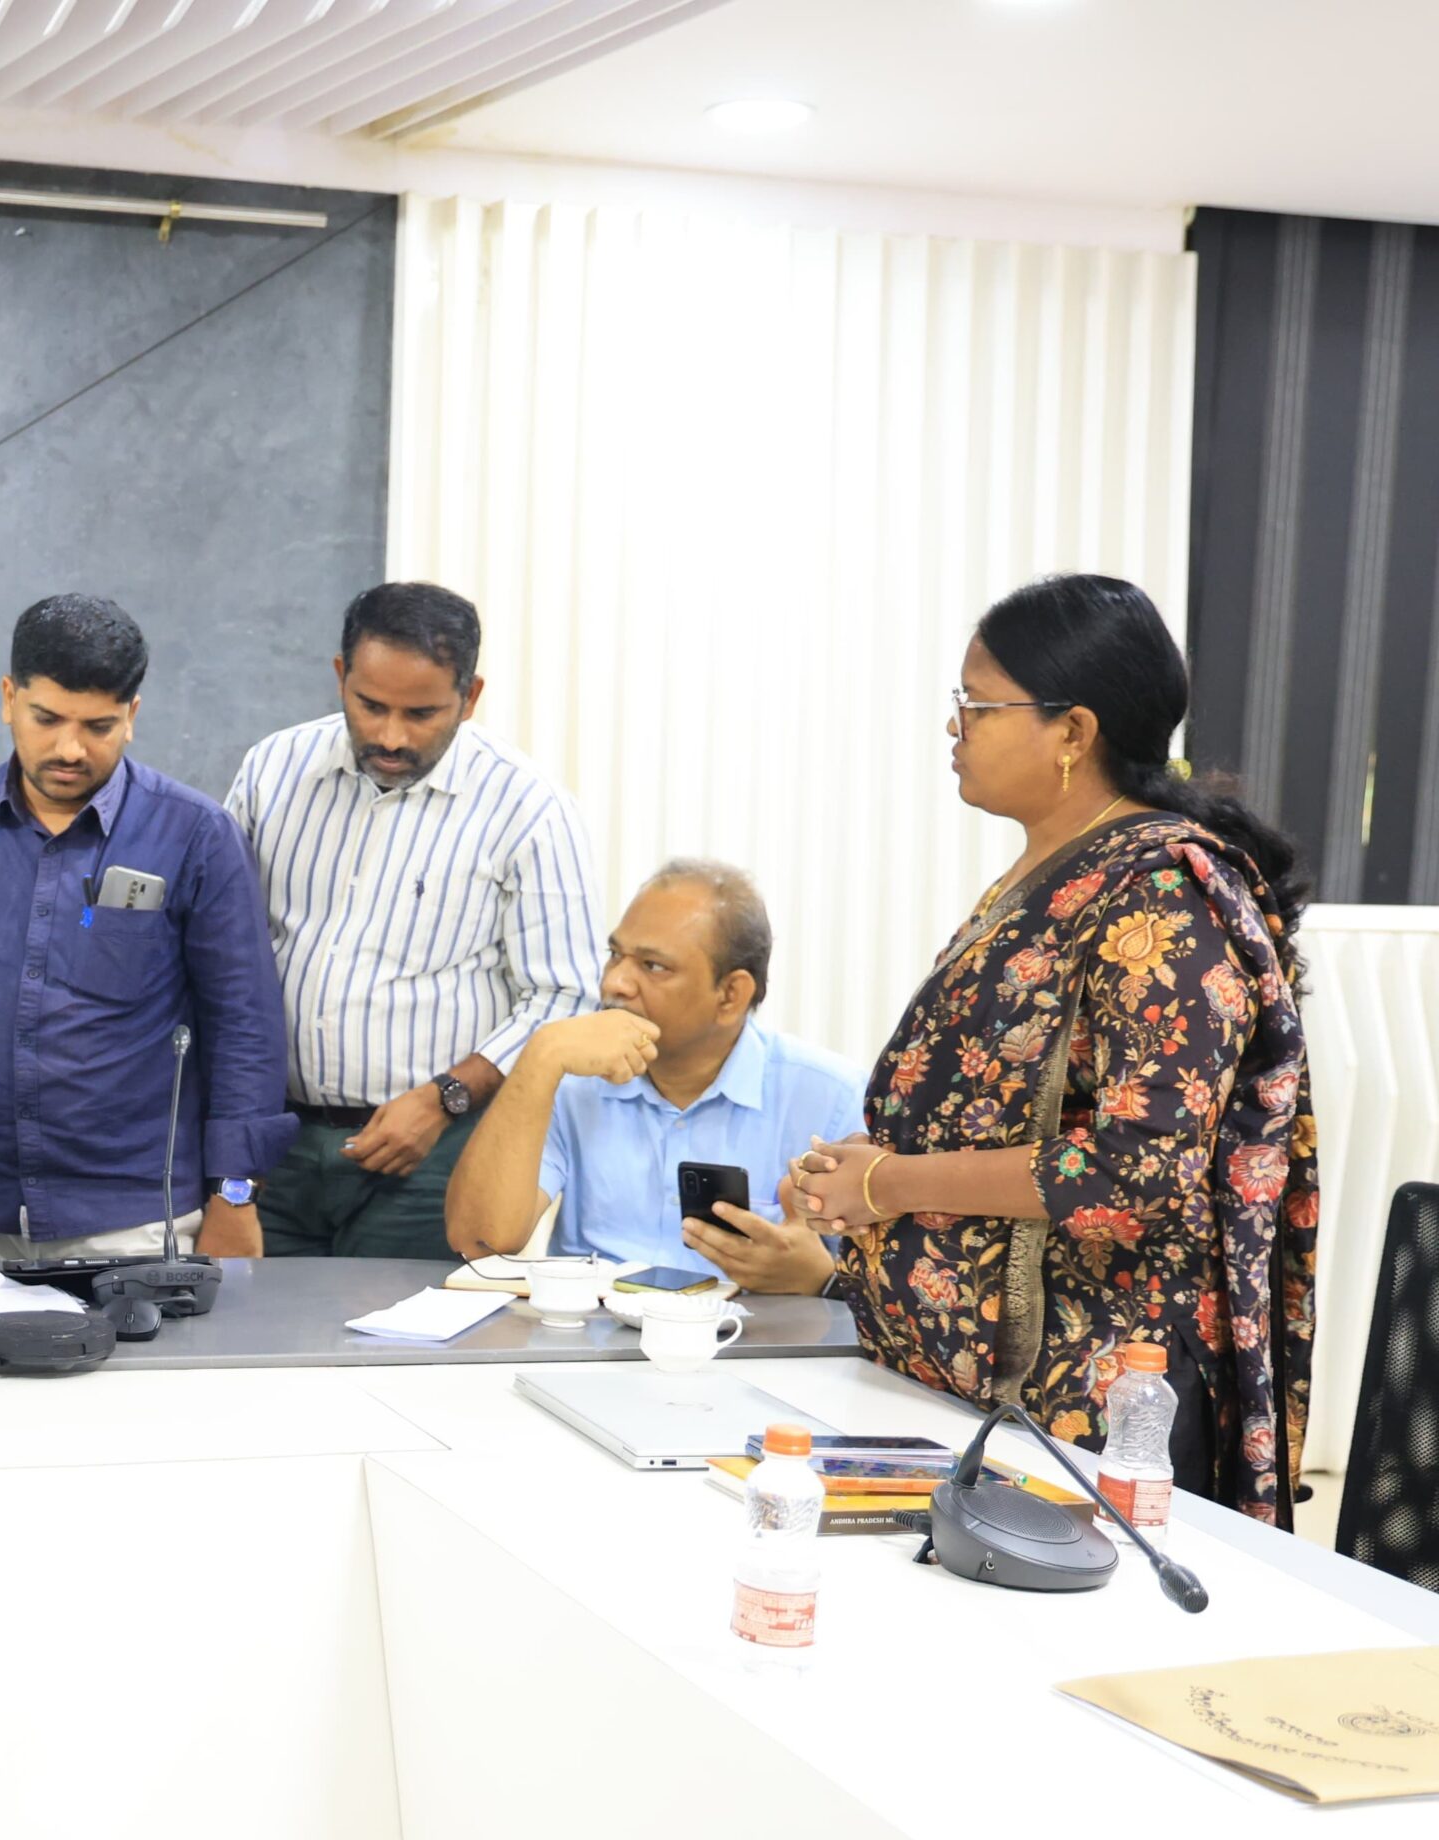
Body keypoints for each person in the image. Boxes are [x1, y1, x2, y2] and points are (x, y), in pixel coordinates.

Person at [792, 574, 1317, 1525]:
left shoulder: (1162, 897)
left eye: (978, 703)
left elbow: (1135, 1168)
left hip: (1087, 1408)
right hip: (970, 1390)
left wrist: (892, 1183)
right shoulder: (1053, 870)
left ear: (1073, 731)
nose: (954, 725)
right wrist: (865, 1178)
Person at [0, 595, 293, 1261]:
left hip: (137, 1219)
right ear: (9, 698)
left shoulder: (196, 835)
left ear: (132, 716)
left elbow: (244, 1028)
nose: (69, 749)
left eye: (98, 726)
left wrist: (236, 1196)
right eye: (46, 719)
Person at [227, 582, 602, 1260]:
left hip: (434, 1153)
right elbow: (220, 951)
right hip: (274, 1147)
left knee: (402, 1328)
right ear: (340, 676)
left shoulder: (529, 809)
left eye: (422, 713)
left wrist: (443, 1099)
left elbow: (564, 996)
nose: (390, 736)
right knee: (255, 1321)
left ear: (470, 697)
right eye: (370, 705)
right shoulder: (272, 771)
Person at [445, 861, 868, 1288]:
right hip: (594, 1326)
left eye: (653, 966)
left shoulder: (831, 1098)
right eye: (615, 955)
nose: (615, 983)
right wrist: (539, 1056)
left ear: (731, 995)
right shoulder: (570, 1080)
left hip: (747, 1329)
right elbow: (480, 1242)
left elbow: (891, 1290)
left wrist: (821, 1281)